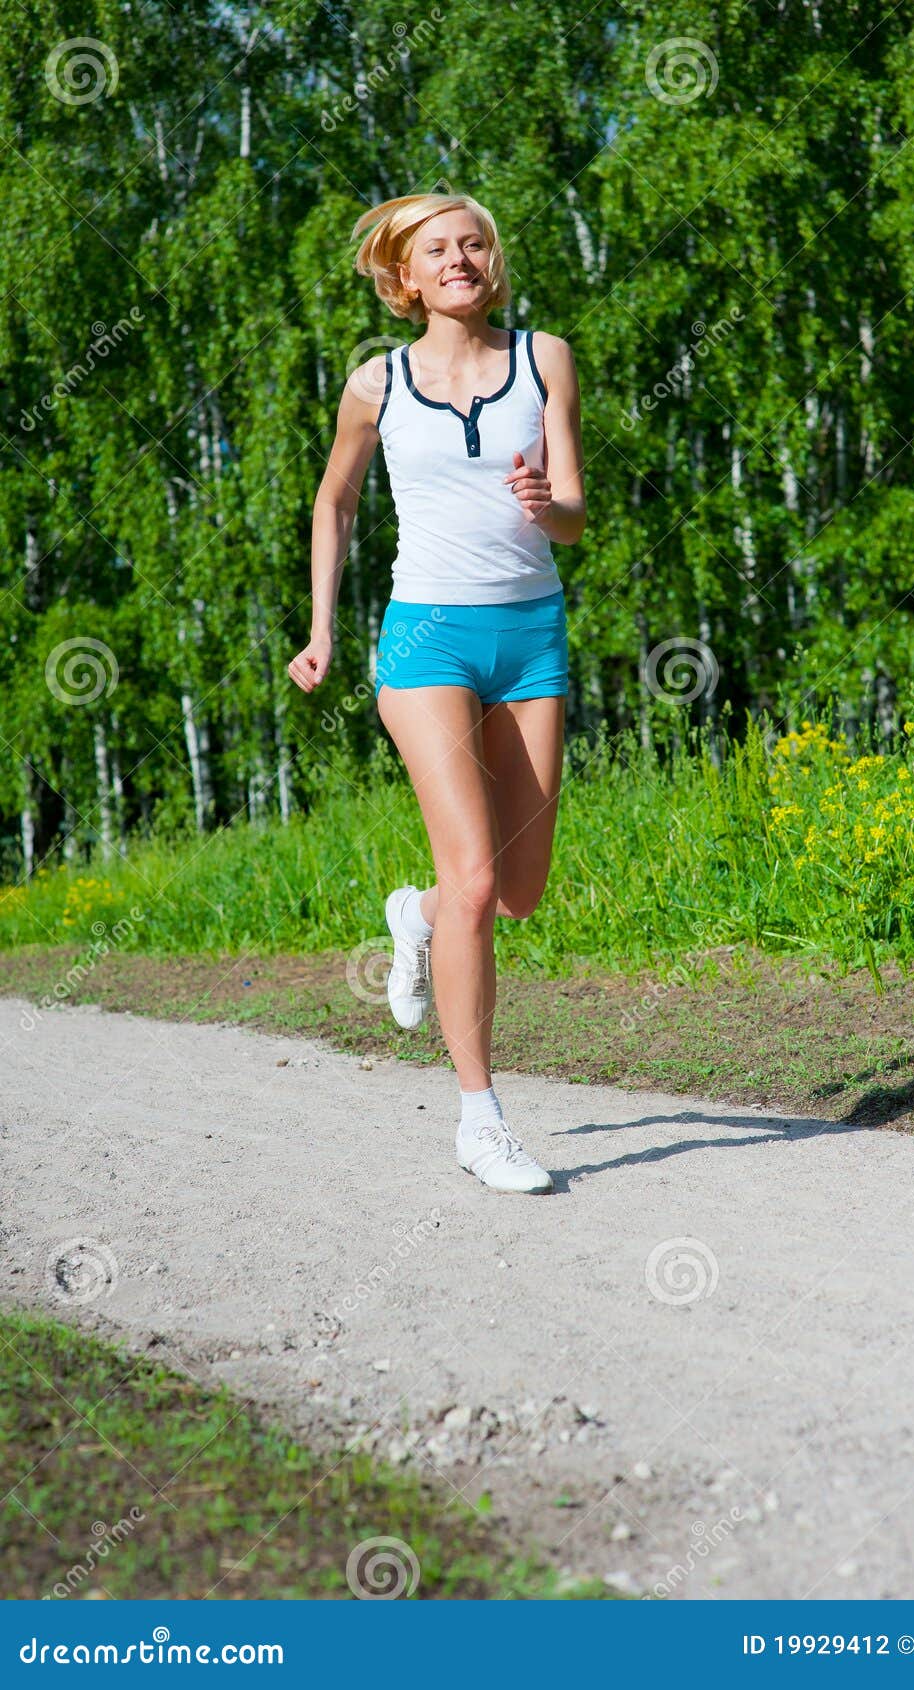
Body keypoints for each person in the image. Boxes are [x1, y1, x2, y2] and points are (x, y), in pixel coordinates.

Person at [288, 192, 586, 1194]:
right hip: (426, 642)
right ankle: (480, 1119)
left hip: (531, 636)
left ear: (490, 261)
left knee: (521, 890)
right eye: (437, 250)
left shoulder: (547, 358)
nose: (460, 258)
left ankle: (410, 918)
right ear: (403, 277)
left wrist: (552, 506)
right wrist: (324, 628)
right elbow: (334, 501)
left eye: (473, 244)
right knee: (474, 879)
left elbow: (577, 513)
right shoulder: (377, 384)